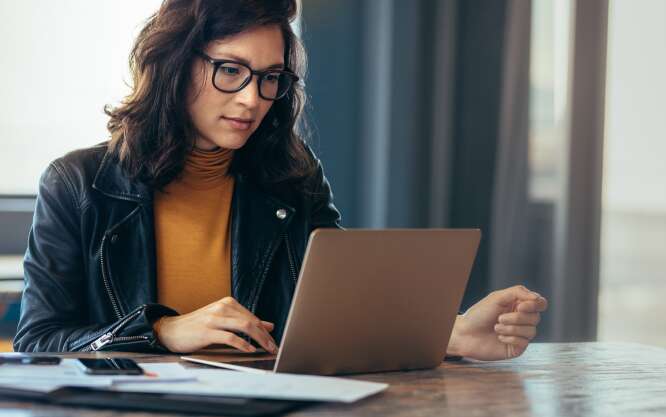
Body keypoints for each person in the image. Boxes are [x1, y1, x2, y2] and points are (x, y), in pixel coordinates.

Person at [13, 0, 548, 361]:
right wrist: (159, 332)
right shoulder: (78, 184)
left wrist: (451, 333)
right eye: (230, 70)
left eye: (271, 78)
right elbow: (39, 343)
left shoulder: (291, 177)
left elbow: (339, 315)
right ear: (174, 64)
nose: (252, 98)